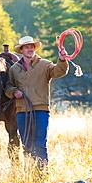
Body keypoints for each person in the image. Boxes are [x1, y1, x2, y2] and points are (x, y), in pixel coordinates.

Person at [5, 36, 69, 168]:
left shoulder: (45, 64)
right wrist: (14, 91)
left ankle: (42, 173)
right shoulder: (14, 69)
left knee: (40, 143)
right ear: (21, 50)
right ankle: (29, 174)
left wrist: (62, 60)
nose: (30, 49)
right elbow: (8, 86)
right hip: (22, 111)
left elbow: (59, 71)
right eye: (27, 47)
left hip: (41, 110)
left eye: (32, 47)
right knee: (27, 145)